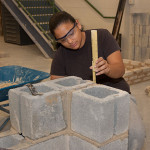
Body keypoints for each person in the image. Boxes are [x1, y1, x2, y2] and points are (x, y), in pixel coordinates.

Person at [49, 11, 145, 150]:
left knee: (136, 133)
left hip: (118, 95)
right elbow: (56, 84)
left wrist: (108, 69)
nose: (69, 41)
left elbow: (120, 69)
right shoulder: (61, 55)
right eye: (62, 40)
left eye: (71, 33)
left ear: (78, 24)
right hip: (85, 103)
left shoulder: (101, 36)